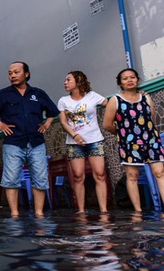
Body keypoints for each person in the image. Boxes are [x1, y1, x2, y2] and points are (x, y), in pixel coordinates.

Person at [0, 61, 58, 218]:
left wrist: (48, 123)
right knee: (11, 179)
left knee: (40, 177)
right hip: (13, 142)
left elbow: (52, 111)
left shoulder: (38, 93)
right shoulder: (2, 95)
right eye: (10, 73)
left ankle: (39, 213)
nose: (13, 75)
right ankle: (14, 213)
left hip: (36, 142)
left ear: (27, 74)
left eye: (16, 72)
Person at [103, 68, 164, 212]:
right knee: (132, 175)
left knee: (160, 172)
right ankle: (138, 211)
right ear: (120, 83)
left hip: (151, 140)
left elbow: (152, 119)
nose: (129, 80)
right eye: (125, 78)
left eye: (132, 77)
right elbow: (107, 124)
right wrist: (123, 135)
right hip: (129, 143)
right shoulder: (115, 100)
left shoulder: (146, 98)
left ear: (137, 80)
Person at [57, 71, 109, 213]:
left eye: (68, 79)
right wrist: (75, 136)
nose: (65, 82)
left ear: (78, 81)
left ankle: (103, 210)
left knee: (99, 174)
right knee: (78, 176)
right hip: (74, 143)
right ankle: (81, 211)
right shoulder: (63, 101)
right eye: (65, 80)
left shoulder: (92, 96)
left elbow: (109, 105)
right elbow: (63, 121)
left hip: (95, 141)